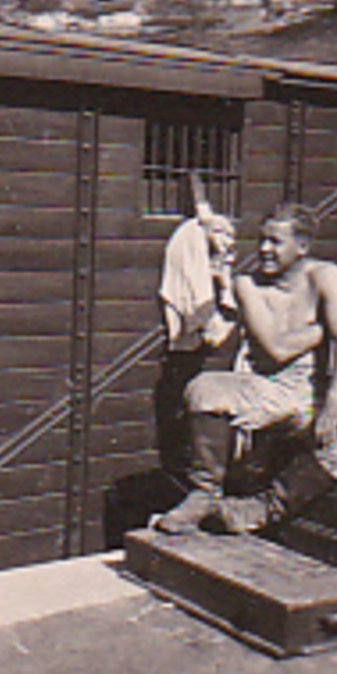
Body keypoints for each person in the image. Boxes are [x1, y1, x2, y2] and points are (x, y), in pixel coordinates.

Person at [152, 203, 337, 536]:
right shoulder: (247, 285)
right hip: (265, 390)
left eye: (275, 242)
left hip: (308, 396)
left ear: (302, 246)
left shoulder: (326, 276)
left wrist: (334, 405)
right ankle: (204, 494)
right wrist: (321, 330)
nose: (264, 249)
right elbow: (275, 349)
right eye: (262, 240)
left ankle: (260, 510)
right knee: (203, 388)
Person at [154, 174, 239, 476]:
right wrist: (227, 287)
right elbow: (214, 334)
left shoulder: (197, 236)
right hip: (190, 347)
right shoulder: (194, 241)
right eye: (227, 238)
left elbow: (203, 209)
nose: (229, 246)